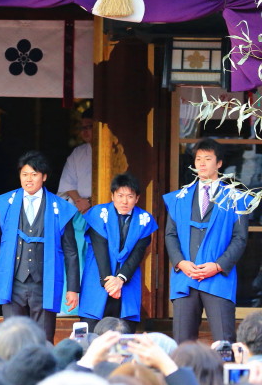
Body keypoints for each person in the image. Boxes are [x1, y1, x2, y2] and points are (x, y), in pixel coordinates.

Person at [0, 151, 80, 342]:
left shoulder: (60, 207)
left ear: (44, 177)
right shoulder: (4, 204)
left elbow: (71, 252)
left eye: (34, 174)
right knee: (12, 338)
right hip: (13, 281)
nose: (28, 179)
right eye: (24, 174)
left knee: (44, 339)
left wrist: (73, 289)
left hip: (45, 282)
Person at [164, 138, 249, 343]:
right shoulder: (179, 198)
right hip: (185, 275)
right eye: (198, 159)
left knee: (224, 341)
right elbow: (170, 235)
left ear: (219, 163)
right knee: (183, 343)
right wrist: (181, 263)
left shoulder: (235, 198)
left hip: (218, 277)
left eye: (208, 159)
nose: (201, 163)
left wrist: (217, 266)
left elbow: (240, 238)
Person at [78, 173, 157, 332]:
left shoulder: (144, 220)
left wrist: (120, 279)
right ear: (112, 196)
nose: (124, 201)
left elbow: (137, 254)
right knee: (90, 334)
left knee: (124, 333)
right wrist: (109, 284)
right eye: (120, 195)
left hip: (126, 281)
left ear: (137, 198)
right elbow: (100, 249)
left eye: (130, 196)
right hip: (98, 278)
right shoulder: (98, 214)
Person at [58, 109, 94, 215]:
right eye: (82, 128)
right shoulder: (78, 153)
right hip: (80, 209)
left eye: (89, 127)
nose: (84, 131)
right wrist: (80, 202)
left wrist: (90, 202)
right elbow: (67, 183)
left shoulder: (112, 153)